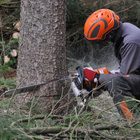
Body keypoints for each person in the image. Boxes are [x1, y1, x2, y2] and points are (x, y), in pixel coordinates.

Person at [80, 9, 140, 120]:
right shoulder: (124, 31)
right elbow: (128, 70)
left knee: (115, 83)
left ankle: (133, 123)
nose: (104, 43)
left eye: (103, 40)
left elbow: (125, 78)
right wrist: (101, 73)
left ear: (110, 34)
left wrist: (98, 77)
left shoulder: (130, 42)